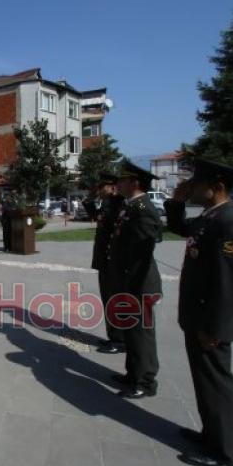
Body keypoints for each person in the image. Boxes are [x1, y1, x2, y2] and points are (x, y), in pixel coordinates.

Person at [164, 159, 233, 466]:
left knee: (216, 384)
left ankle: (225, 452)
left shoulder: (230, 223)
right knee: (205, 383)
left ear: (217, 187)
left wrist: (214, 328)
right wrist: (176, 201)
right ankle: (212, 435)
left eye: (198, 184)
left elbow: (230, 285)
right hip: (198, 318)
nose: (193, 188)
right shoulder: (209, 218)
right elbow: (179, 228)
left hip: (210, 325)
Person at [108, 160, 163, 399]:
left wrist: (134, 283)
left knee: (141, 333)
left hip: (140, 282)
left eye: (122, 180)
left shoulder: (143, 209)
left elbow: (145, 248)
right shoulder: (130, 206)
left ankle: (145, 381)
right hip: (128, 279)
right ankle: (133, 374)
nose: (117, 184)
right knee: (131, 331)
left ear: (134, 183)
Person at [82, 172, 126, 354]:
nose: (99, 190)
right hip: (105, 260)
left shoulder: (118, 204)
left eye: (102, 187)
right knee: (108, 299)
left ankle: (120, 340)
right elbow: (95, 215)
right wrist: (90, 198)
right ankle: (114, 337)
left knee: (114, 300)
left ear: (112, 187)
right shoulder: (107, 203)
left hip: (113, 261)